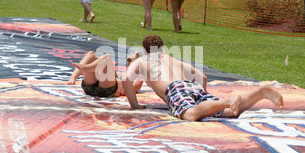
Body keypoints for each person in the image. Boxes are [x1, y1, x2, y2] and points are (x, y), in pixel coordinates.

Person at [122, 34, 285, 121]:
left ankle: (227, 101)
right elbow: (203, 77)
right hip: (191, 86)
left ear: (145, 51)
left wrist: (134, 105)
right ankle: (261, 92)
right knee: (229, 113)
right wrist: (203, 101)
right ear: (162, 49)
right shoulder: (172, 59)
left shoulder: (143, 59)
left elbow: (125, 80)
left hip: (174, 88)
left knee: (191, 114)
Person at [68, 51, 143, 98]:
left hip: (108, 91)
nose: (129, 62)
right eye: (128, 59)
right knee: (91, 54)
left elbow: (125, 91)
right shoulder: (121, 71)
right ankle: (73, 77)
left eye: (132, 61)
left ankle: (86, 68)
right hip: (90, 88)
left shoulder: (139, 78)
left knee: (107, 57)